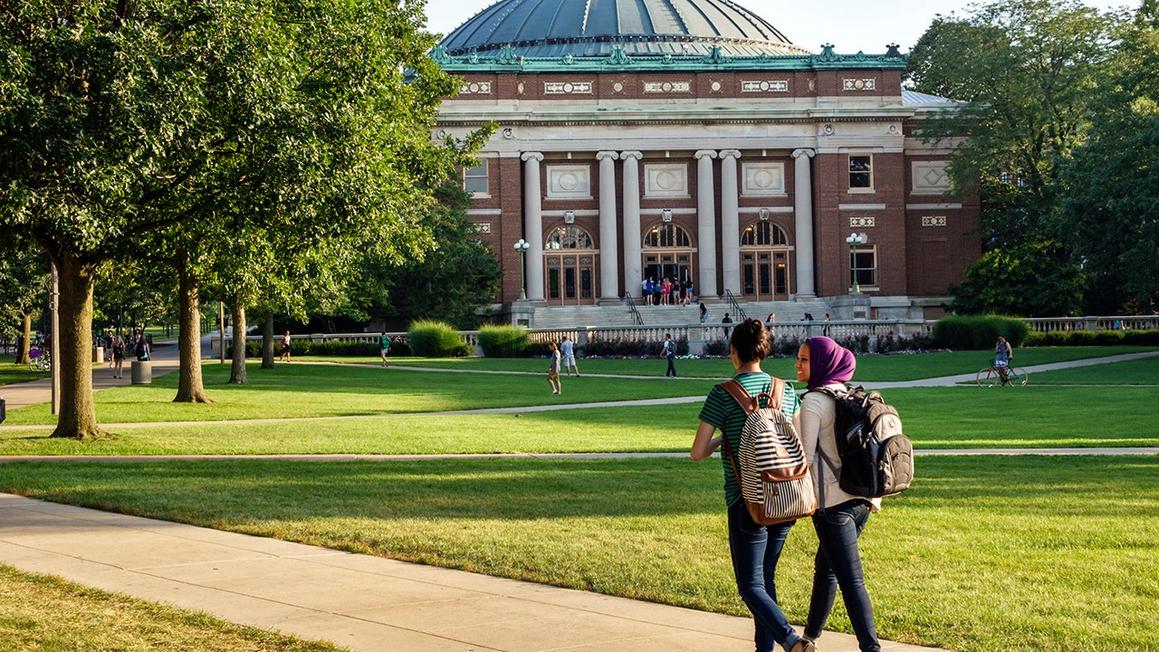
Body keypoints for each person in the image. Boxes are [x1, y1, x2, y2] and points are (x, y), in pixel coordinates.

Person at [690, 319, 812, 652]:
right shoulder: (784, 390)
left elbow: (697, 453)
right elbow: (799, 441)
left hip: (746, 500)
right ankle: (764, 649)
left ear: (733, 352)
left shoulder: (723, 394)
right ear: (763, 350)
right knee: (765, 578)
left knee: (749, 585)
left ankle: (789, 638)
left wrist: (721, 440)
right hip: (786, 496)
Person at [795, 336, 882, 652]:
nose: (798, 364)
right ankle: (810, 638)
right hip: (863, 500)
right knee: (826, 567)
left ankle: (871, 648)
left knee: (851, 580)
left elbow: (803, 459)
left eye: (804, 359)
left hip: (833, 507)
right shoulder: (848, 394)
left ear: (820, 364)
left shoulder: (813, 402)